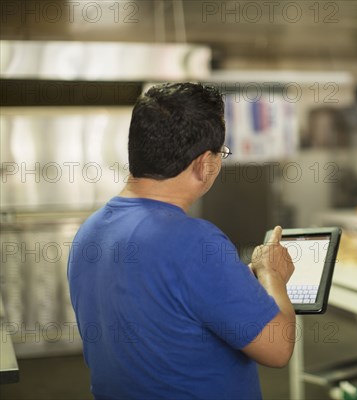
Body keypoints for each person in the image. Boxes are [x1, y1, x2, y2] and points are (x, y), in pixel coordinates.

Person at [67, 82, 296, 399]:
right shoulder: (195, 242)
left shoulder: (89, 232)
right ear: (205, 164)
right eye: (222, 154)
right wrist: (273, 276)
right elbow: (278, 347)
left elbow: (162, 308)